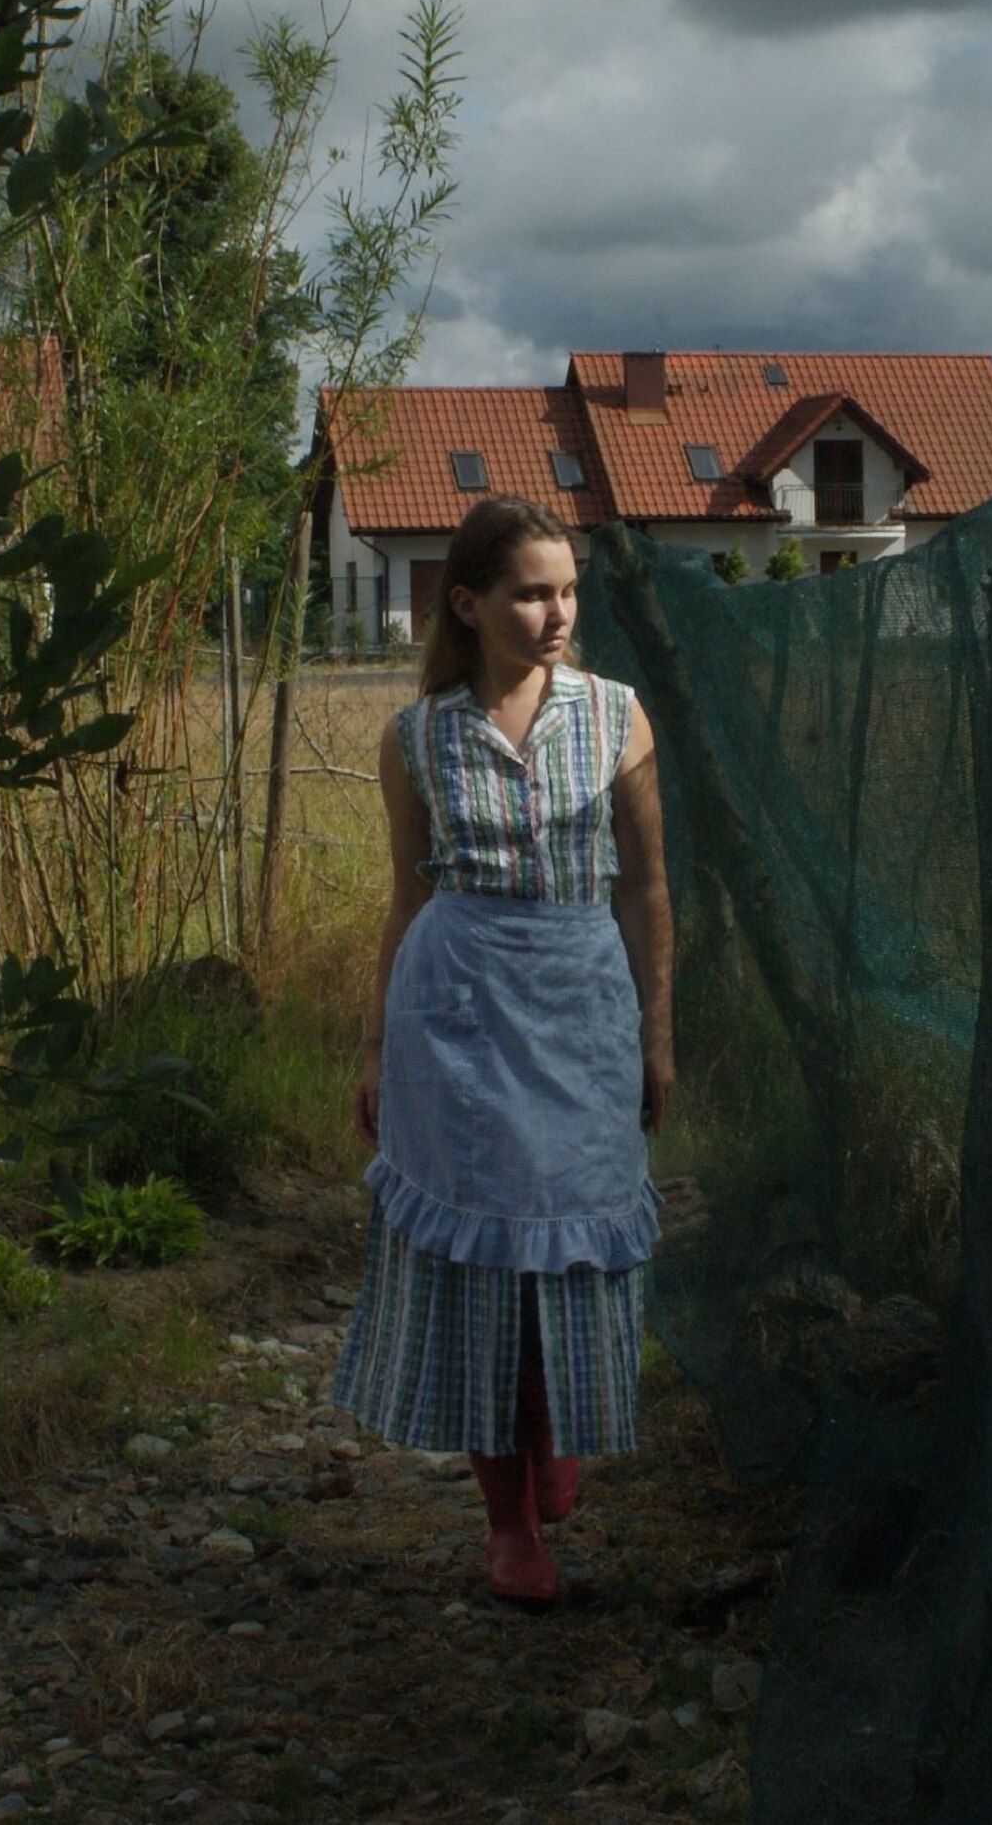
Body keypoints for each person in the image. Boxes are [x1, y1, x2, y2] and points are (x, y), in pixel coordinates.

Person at [330, 494, 676, 1604]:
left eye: (568, 589)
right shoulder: (416, 736)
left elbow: (648, 888)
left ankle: (556, 1441)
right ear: (467, 604)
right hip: (459, 1012)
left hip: (581, 1006)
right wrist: (380, 1049)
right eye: (532, 592)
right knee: (482, 1263)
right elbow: (402, 898)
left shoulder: (619, 715)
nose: (558, 611)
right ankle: (507, 1520)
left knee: (572, 1243)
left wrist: (657, 1037)